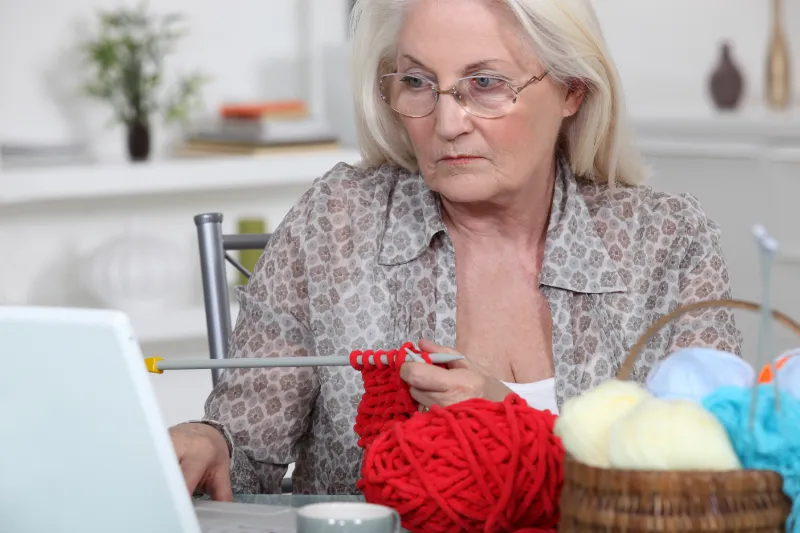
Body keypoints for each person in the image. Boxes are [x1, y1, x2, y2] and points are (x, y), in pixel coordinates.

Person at [169, 0, 743, 499]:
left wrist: (515, 429)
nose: (447, 123)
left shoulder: (666, 240)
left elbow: (714, 479)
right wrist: (210, 441)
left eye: (486, 84)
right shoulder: (337, 220)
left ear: (573, 91)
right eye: (418, 82)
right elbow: (247, 454)